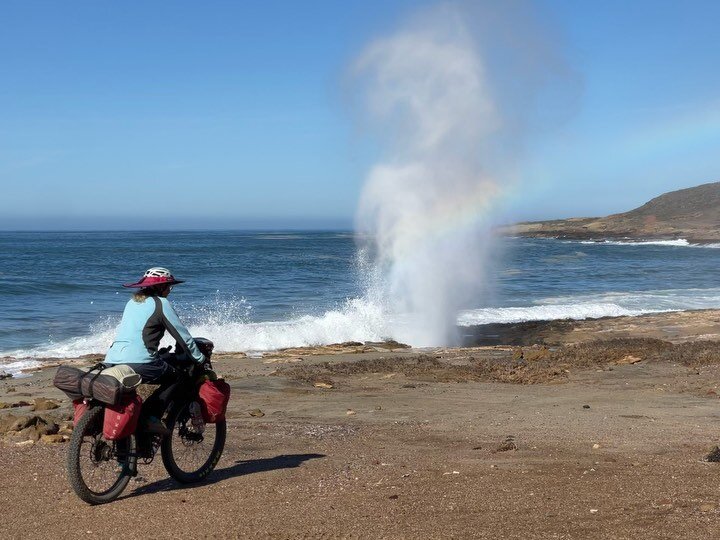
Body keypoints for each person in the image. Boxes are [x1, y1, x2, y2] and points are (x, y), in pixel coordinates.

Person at [105, 267, 206, 434]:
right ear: (161, 287)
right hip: (140, 363)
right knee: (177, 378)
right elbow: (183, 337)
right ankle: (151, 416)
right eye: (169, 287)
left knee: (125, 400)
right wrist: (200, 358)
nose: (169, 290)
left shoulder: (132, 303)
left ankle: (126, 456)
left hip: (111, 360)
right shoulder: (161, 304)